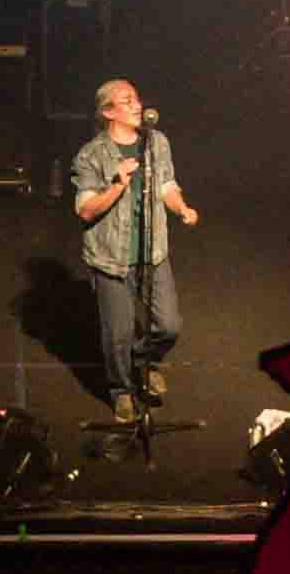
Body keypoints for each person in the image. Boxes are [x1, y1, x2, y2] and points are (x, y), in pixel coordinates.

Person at [67, 79, 198, 408]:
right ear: (109, 111)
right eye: (127, 101)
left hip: (152, 252)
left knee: (169, 326)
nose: (137, 105)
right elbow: (85, 210)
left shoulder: (157, 143)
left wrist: (181, 207)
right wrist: (117, 185)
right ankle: (121, 390)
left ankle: (143, 361)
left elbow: (167, 184)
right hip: (111, 258)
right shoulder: (91, 155)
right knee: (118, 336)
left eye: (137, 98)